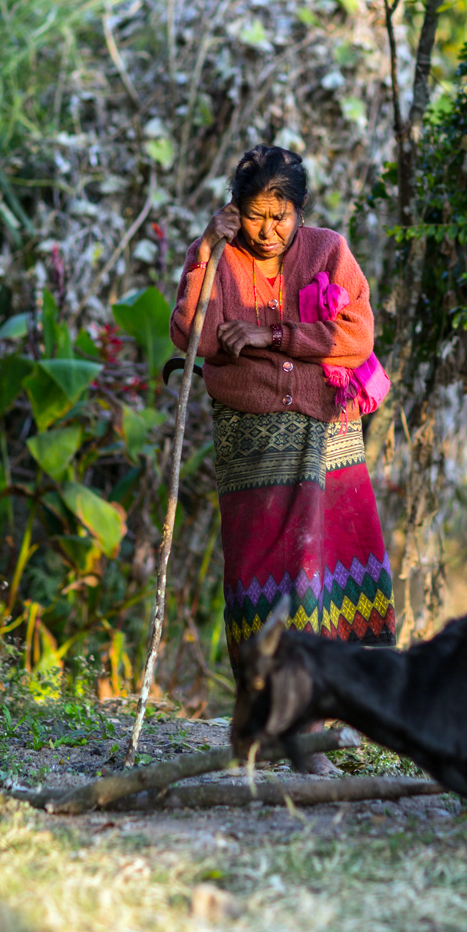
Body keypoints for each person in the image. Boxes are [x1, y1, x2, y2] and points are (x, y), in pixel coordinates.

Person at [171, 145, 396, 771]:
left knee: (326, 569)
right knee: (262, 575)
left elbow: (356, 337)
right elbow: (195, 337)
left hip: (328, 430)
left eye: (280, 216)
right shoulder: (219, 255)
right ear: (234, 210)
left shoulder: (329, 251)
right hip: (253, 438)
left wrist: (272, 336)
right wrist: (206, 251)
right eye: (254, 215)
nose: (267, 230)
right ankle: (272, 723)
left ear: (300, 211)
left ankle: (317, 723)